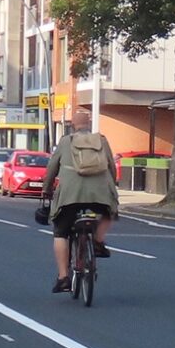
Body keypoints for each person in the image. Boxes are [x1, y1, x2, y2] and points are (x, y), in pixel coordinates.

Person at [40, 122, 119, 293]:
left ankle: (63, 278)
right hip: (100, 193)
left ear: (73, 126)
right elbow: (111, 166)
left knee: (60, 232)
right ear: (89, 126)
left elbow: (52, 167)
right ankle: (98, 241)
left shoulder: (65, 141)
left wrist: (46, 189)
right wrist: (112, 188)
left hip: (70, 195)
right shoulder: (102, 141)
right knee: (109, 212)